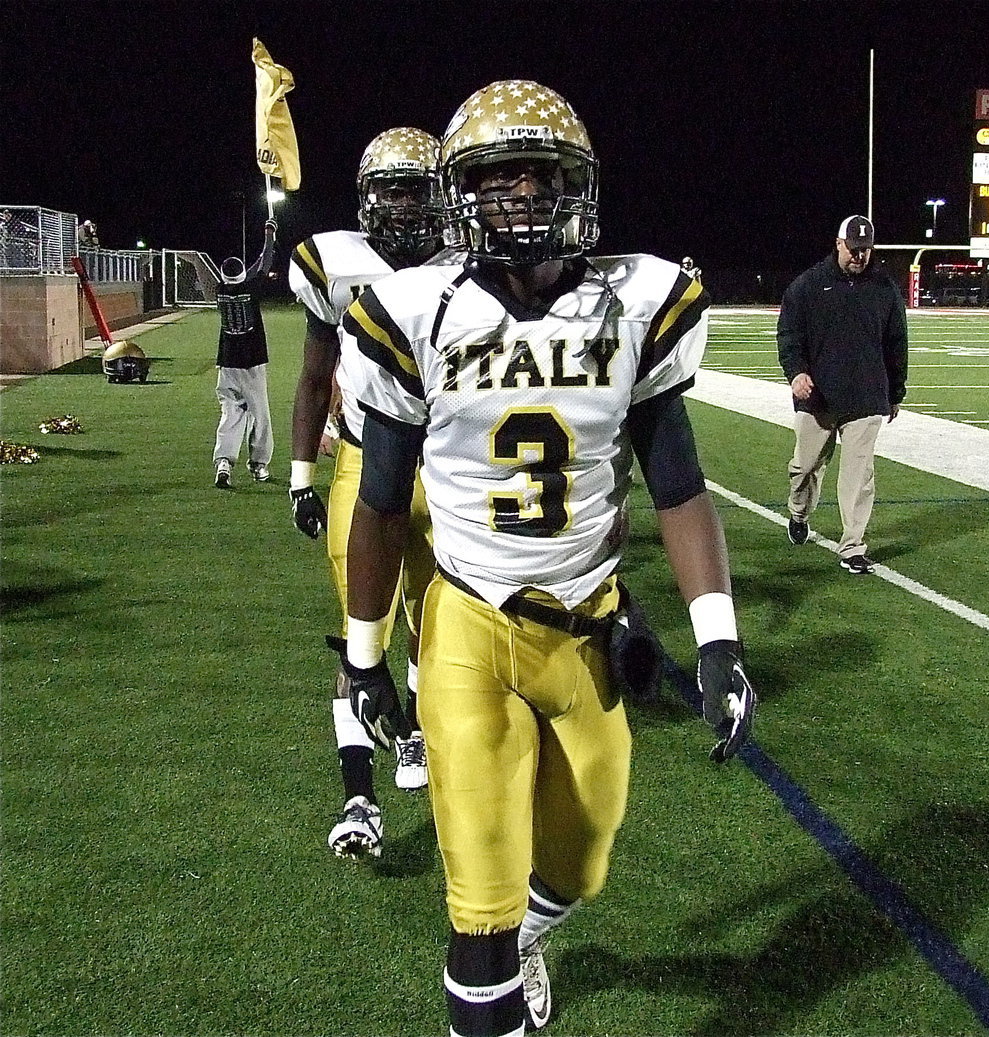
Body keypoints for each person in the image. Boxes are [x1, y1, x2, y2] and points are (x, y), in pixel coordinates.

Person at [336, 79, 757, 1037]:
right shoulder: (414, 310)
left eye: (541, 174)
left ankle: (532, 933)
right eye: (497, 176)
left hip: (587, 622)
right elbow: (378, 503)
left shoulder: (634, 301)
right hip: (469, 623)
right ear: (462, 195)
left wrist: (720, 639)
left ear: (581, 186)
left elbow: (680, 485)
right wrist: (363, 658)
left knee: (582, 858)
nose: (521, 196)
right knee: (479, 904)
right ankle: (494, 968)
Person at [287, 127, 445, 857]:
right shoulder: (334, 264)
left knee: (438, 625)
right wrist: (300, 475)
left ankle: (412, 731)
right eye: (395, 189)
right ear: (367, 198)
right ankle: (358, 795)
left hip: (446, 468)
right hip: (362, 463)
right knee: (361, 629)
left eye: (420, 187)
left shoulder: (469, 264)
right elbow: (316, 375)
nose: (408, 205)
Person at [776, 214, 908, 574]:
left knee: (859, 475)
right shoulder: (808, 286)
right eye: (853, 249)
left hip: (866, 397)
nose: (859, 257)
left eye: (865, 250)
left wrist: (896, 391)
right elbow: (789, 335)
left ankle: (853, 546)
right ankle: (799, 512)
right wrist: (796, 373)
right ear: (838, 244)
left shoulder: (884, 288)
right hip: (818, 397)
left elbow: (896, 342)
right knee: (804, 467)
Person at [213, 218, 277, 488]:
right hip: (251, 364)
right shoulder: (251, 289)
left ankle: (224, 461)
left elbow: (253, 269)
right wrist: (269, 235)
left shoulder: (220, 290)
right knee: (260, 415)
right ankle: (259, 464)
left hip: (227, 364)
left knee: (230, 413)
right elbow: (263, 264)